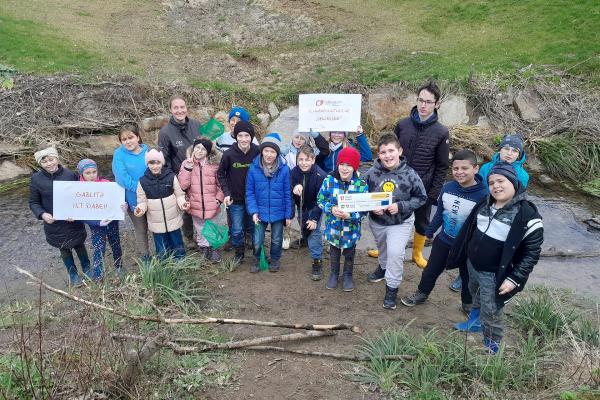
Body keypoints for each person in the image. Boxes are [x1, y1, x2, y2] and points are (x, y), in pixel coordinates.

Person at [448, 162, 543, 354]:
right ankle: (474, 322)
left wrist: (513, 279)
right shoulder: (485, 203)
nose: (496, 186)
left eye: (501, 181)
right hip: (472, 265)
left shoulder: (527, 214)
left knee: (492, 310)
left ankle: (492, 346)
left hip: (494, 274)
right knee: (475, 294)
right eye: (491, 183)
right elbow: (469, 230)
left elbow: (531, 253)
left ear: (514, 183)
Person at [400, 150, 487, 312]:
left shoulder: (484, 195)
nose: (459, 172)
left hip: (467, 246)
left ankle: (467, 303)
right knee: (431, 269)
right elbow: (440, 212)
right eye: (455, 169)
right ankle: (422, 293)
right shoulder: (447, 188)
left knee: (467, 275)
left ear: (475, 169)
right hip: (444, 239)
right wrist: (430, 230)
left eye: (464, 168)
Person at [449, 133, 529, 292]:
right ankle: (463, 275)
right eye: (506, 148)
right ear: (500, 150)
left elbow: (519, 198)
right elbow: (476, 187)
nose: (509, 153)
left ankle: (486, 279)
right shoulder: (486, 168)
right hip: (481, 210)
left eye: (514, 151)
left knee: (491, 249)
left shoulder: (522, 175)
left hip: (502, 216)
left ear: (519, 155)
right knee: (471, 244)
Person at [364, 134, 427, 309]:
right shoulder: (371, 173)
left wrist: (401, 206)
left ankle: (392, 288)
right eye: (383, 152)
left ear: (399, 151)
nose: (387, 155)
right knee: (384, 248)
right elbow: (361, 194)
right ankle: (383, 268)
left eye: (391, 150)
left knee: (395, 253)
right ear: (378, 154)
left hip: (400, 221)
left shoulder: (410, 174)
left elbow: (422, 197)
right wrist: (371, 206)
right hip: (377, 222)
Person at [393, 81, 449, 269]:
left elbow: (442, 166)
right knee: (392, 215)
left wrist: (433, 194)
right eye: (421, 100)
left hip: (423, 187)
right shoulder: (402, 124)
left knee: (422, 221)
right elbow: (391, 153)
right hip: (398, 183)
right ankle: (386, 247)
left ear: (437, 104)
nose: (423, 106)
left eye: (428, 102)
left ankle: (417, 254)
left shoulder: (441, 132)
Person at [29, 146, 90, 286]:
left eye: (51, 159)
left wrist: (76, 212)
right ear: (40, 164)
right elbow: (33, 202)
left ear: (57, 158)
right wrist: (43, 214)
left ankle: (87, 268)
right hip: (54, 224)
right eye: (44, 162)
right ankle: (72, 274)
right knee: (64, 248)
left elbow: (80, 196)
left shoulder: (70, 174)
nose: (49, 164)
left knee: (79, 244)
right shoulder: (36, 179)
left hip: (73, 221)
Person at [317, 147, 368, 291]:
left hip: (350, 231)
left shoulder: (361, 185)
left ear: (355, 167)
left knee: (349, 254)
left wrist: (350, 216)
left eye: (349, 165)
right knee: (334, 252)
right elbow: (320, 199)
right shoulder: (329, 180)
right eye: (342, 164)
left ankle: (347, 275)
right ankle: (334, 273)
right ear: (338, 164)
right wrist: (331, 208)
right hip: (333, 228)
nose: (345, 169)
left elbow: (364, 211)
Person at [246, 133, 293, 273]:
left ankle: (275, 258)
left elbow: (287, 193)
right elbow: (250, 192)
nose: (269, 154)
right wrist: (253, 211)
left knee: (277, 239)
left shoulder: (284, 169)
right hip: (259, 211)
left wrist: (288, 215)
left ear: (277, 153)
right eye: (266, 151)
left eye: (272, 151)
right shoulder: (253, 168)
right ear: (262, 151)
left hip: (278, 212)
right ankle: (257, 258)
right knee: (257, 239)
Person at [157, 95, 201, 244]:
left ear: (186, 108)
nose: (180, 110)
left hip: (200, 174)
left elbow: (206, 147)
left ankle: (205, 237)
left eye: (182, 107)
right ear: (170, 109)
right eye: (176, 107)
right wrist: (172, 179)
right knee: (186, 209)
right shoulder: (165, 132)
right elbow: (164, 160)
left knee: (201, 204)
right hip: (180, 177)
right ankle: (188, 237)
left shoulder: (197, 125)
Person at [134, 149, 190, 260]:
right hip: (156, 222)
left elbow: (179, 195)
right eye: (151, 163)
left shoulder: (171, 176)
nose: (155, 166)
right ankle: (165, 263)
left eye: (157, 162)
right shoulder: (142, 181)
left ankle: (180, 260)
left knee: (177, 242)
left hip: (173, 218)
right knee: (161, 246)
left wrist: (183, 203)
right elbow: (142, 201)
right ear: (147, 164)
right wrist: (140, 209)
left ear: (162, 163)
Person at [217, 120, 260, 264]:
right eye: (240, 135)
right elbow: (221, 174)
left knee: (254, 228)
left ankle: (257, 253)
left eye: (247, 135)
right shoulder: (229, 154)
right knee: (236, 229)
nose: (243, 139)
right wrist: (226, 192)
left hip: (254, 199)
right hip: (235, 199)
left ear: (251, 137)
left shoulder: (257, 152)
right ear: (236, 136)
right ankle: (239, 252)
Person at [77, 158, 125, 281]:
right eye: (88, 173)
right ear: (81, 174)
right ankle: (98, 275)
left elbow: (116, 200)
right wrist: (96, 222)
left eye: (94, 172)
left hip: (112, 221)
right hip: (96, 226)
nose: (92, 175)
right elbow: (81, 212)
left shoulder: (106, 183)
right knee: (98, 248)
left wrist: (123, 206)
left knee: (115, 244)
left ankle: (119, 267)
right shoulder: (78, 189)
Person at [178, 137, 224, 263]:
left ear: (208, 152)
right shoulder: (186, 164)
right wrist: (188, 167)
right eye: (197, 148)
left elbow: (221, 185)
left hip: (212, 203)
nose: (199, 151)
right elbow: (182, 185)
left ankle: (213, 248)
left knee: (212, 226)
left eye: (203, 149)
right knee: (200, 227)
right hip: (195, 203)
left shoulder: (215, 166)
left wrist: (218, 199)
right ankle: (204, 248)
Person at [112, 124, 151, 259]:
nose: (128, 141)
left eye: (131, 137)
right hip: (133, 198)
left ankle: (163, 252)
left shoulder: (148, 151)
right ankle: (145, 256)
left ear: (138, 137)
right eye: (124, 139)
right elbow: (122, 179)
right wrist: (141, 190)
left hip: (152, 196)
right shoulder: (119, 155)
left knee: (157, 225)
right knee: (141, 229)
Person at [290, 145, 327, 280]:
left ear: (313, 160)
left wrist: (314, 219)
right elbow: (289, 189)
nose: (304, 163)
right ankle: (305, 239)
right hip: (301, 206)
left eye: (307, 160)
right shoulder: (294, 172)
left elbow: (321, 200)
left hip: (315, 206)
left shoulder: (321, 175)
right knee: (302, 225)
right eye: (301, 160)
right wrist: (294, 188)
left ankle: (317, 260)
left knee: (314, 231)